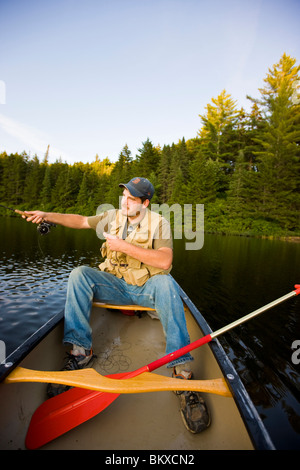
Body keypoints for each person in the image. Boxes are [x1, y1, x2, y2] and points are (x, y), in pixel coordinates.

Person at [24, 177, 210, 434]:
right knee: (79, 274)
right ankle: (81, 353)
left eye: (132, 198)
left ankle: (182, 373)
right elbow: (79, 220)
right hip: (116, 287)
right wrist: (47, 215)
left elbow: (165, 261)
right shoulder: (111, 216)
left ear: (145, 203)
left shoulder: (159, 224)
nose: (125, 201)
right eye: (124, 195)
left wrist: (124, 246)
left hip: (146, 289)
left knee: (168, 284)